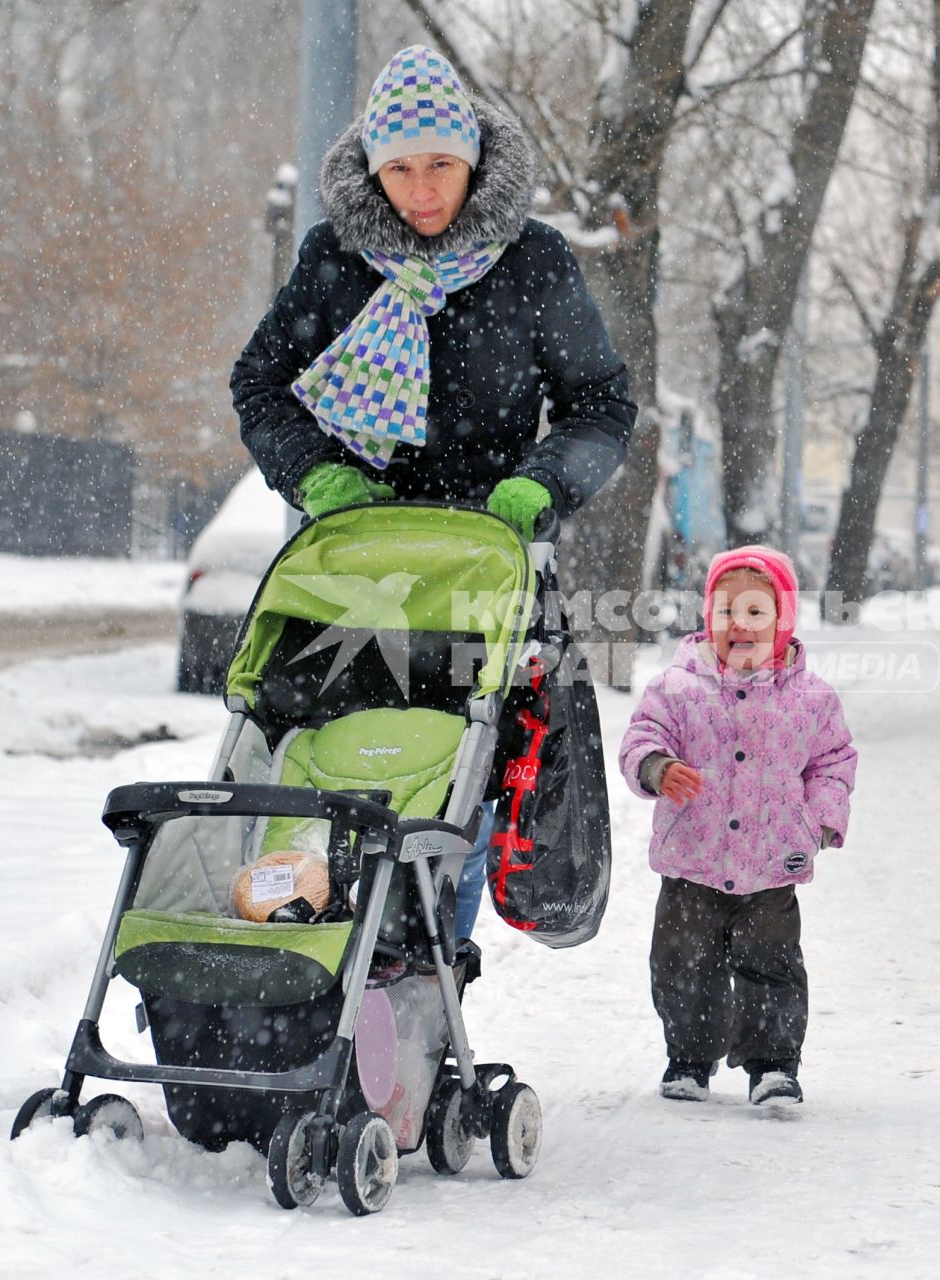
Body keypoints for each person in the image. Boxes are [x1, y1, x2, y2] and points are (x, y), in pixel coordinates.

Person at [231, 45, 637, 942]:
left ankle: (426, 975)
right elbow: (259, 384)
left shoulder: (530, 262)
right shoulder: (337, 260)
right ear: (374, 171)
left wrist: (540, 483)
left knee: (459, 778)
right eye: (401, 169)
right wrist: (316, 473)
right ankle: (309, 958)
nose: (422, 191)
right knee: (329, 766)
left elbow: (602, 404)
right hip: (355, 568)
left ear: (474, 162)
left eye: (441, 167)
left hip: (485, 570)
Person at [618, 546, 857, 1106]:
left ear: (783, 621)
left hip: (772, 861)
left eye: (756, 612)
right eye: (726, 612)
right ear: (708, 620)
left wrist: (819, 820)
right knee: (682, 964)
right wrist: (657, 767)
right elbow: (641, 738)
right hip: (692, 858)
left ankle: (772, 1065)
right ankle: (690, 1059)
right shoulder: (676, 689)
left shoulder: (811, 699)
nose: (739, 625)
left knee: (770, 965)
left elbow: (833, 762)